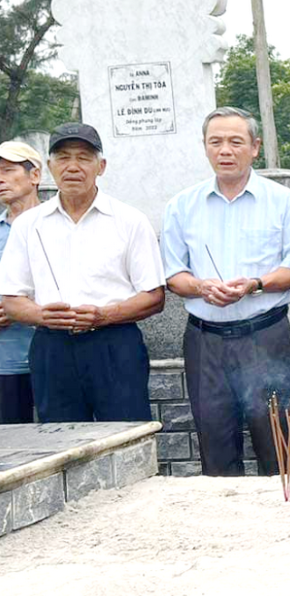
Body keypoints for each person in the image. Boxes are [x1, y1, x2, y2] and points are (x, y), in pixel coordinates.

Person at [162, 107, 290, 477]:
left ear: (255, 147)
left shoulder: (283, 202)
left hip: (264, 337)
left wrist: (256, 284)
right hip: (206, 343)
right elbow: (172, 275)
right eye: (215, 142)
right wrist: (201, 287)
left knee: (279, 444)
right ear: (205, 148)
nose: (225, 150)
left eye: (236, 141)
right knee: (214, 446)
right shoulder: (181, 206)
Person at [0, 124, 165, 422]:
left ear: (100, 166)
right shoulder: (28, 225)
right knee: (61, 444)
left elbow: (154, 297)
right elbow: (12, 299)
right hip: (52, 346)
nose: (72, 167)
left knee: (125, 437)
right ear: (49, 167)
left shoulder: (130, 220)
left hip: (114, 344)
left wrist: (105, 315)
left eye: (83, 157)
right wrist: (41, 316)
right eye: (63, 158)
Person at [0, 142, 42, 424]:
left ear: (35, 175)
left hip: (56, 354)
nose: (0, 179)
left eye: (7, 170)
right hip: (6, 363)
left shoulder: (58, 224)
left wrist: (21, 307)